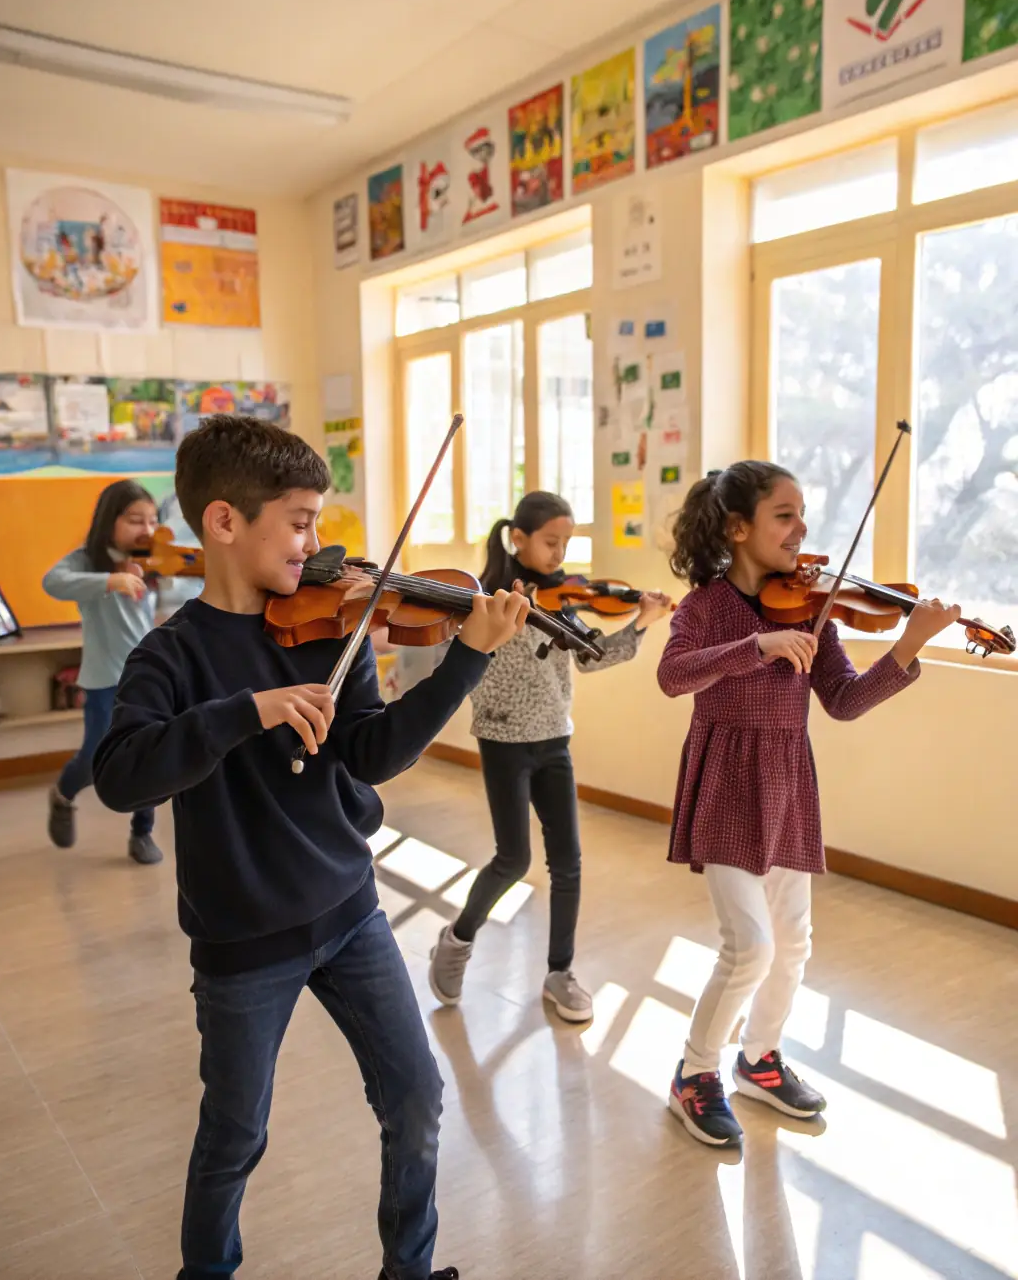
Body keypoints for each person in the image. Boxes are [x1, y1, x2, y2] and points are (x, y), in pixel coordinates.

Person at [92, 414, 529, 1280]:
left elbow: (373, 752)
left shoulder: (336, 624)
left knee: (416, 1099)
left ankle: (408, 1268)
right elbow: (119, 776)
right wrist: (245, 709)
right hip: (244, 940)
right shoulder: (167, 657)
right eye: (300, 521)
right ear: (225, 522)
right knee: (234, 1134)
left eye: (318, 522)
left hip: (348, 908)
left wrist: (466, 662)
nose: (318, 545)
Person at [657, 463, 960, 1147]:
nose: (802, 530)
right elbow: (673, 675)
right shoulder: (704, 606)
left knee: (793, 944)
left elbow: (845, 700)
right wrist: (756, 645)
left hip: (788, 779)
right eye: (785, 515)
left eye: (803, 513)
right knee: (750, 946)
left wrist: (908, 646)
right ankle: (694, 1072)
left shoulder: (813, 606)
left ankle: (759, 1058)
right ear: (739, 528)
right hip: (728, 782)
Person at [428, 490, 671, 1022]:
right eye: (551, 542)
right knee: (512, 859)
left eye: (566, 543)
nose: (560, 554)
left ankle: (560, 972)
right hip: (503, 741)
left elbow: (590, 657)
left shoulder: (563, 598)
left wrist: (641, 623)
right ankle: (456, 939)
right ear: (518, 539)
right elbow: (458, 663)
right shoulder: (486, 600)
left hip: (555, 739)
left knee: (568, 863)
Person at [43, 478, 163, 864]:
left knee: (149, 756)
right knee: (97, 757)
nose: (146, 529)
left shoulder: (153, 556)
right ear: (110, 520)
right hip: (104, 679)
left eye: (152, 520)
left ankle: (141, 832)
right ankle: (63, 794)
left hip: (148, 678)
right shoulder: (87, 559)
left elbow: (180, 595)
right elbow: (53, 582)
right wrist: (111, 580)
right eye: (134, 520)